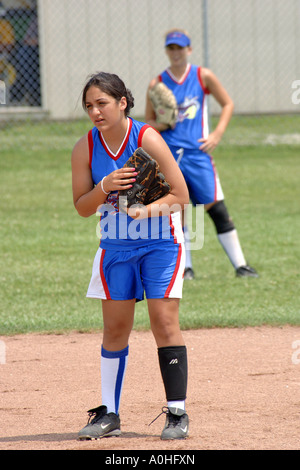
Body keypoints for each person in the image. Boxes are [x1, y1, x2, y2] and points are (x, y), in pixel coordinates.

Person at [71, 72, 190, 440]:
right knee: (115, 329)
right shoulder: (85, 147)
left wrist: (144, 210)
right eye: (89, 105)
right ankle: (109, 413)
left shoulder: (146, 138)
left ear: (123, 103)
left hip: (160, 244)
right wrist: (104, 186)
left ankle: (177, 413)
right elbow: (82, 207)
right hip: (116, 247)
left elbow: (180, 195)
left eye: (102, 103)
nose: (95, 111)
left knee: (163, 321)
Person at [145, 29, 258, 280]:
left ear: (189, 50)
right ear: (166, 51)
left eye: (180, 48)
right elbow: (148, 122)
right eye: (171, 48)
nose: (176, 53)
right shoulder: (157, 83)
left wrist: (216, 134)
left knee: (215, 206)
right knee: (178, 209)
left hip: (198, 153)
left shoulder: (202, 76)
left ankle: (241, 266)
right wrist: (162, 124)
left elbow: (227, 103)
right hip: (170, 155)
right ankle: (185, 269)